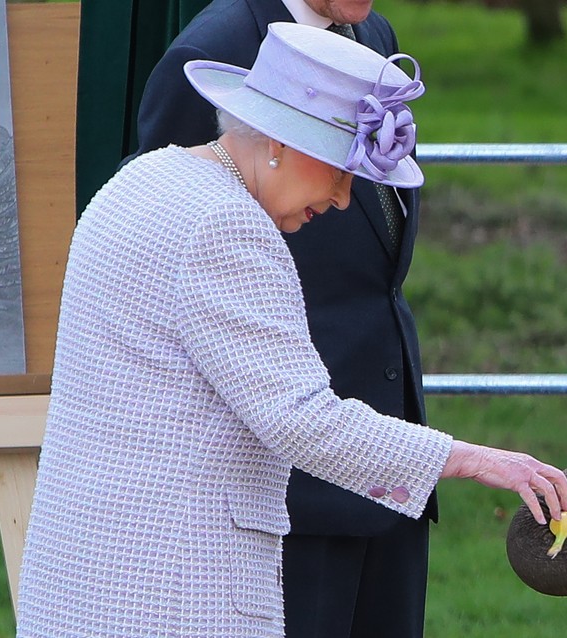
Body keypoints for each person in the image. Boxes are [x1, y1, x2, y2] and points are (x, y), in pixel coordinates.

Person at [15, 24, 567, 637]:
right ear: (278, 142)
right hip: (174, 593)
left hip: (80, 575)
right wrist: (470, 458)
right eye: (340, 171)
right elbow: (302, 420)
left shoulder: (140, 181)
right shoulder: (228, 225)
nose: (342, 198)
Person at [131, 1, 447, 635]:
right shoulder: (208, 50)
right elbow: (161, 239)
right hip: (283, 489)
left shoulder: (371, 32)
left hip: (389, 453)